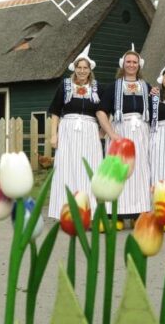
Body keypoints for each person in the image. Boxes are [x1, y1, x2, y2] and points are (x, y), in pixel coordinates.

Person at [96, 46, 152, 228]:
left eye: (134, 62)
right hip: (121, 130)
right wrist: (112, 134)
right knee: (120, 171)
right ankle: (117, 214)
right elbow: (101, 112)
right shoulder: (113, 87)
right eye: (128, 61)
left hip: (142, 132)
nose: (131, 65)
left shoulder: (147, 87)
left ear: (139, 65)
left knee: (141, 170)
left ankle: (139, 211)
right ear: (123, 64)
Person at [47, 44, 102, 219]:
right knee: (67, 168)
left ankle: (89, 212)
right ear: (75, 69)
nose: (82, 71)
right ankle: (66, 211)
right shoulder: (65, 86)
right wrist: (54, 134)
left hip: (89, 131)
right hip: (68, 131)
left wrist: (102, 131)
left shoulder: (97, 87)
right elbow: (55, 111)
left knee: (89, 168)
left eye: (85, 68)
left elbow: (103, 111)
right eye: (79, 67)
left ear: (90, 70)